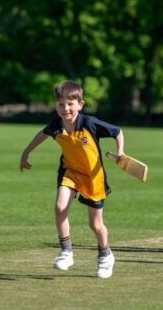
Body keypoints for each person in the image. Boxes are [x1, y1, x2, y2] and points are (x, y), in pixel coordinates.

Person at [19, 80, 124, 279]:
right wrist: (26, 153)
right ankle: (66, 251)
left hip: (93, 178)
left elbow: (117, 132)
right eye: (61, 104)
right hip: (70, 172)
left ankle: (105, 255)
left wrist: (120, 152)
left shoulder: (89, 123)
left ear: (80, 104)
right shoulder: (56, 125)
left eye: (70, 104)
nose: (65, 108)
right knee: (59, 207)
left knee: (95, 225)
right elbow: (42, 134)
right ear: (55, 105)